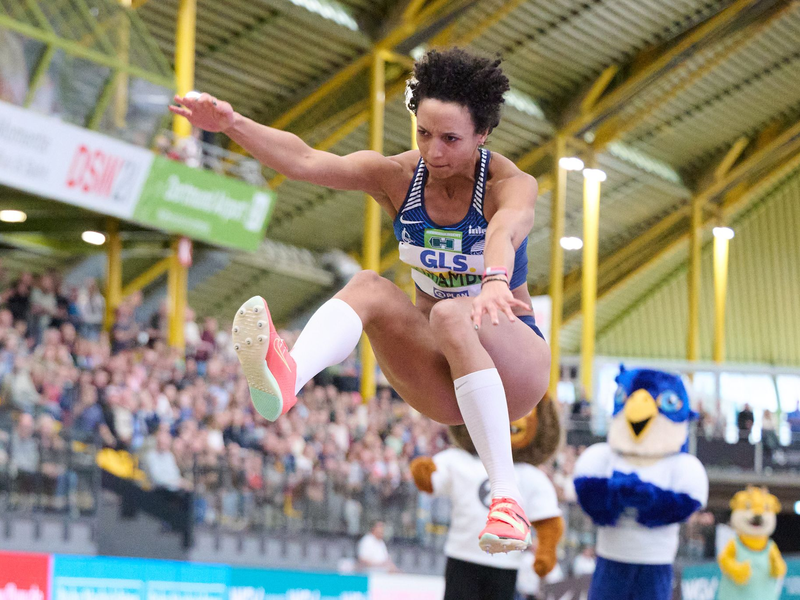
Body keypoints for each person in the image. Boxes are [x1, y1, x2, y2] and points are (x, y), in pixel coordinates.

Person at [171, 48, 550, 553]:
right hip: (442, 372)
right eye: (423, 133)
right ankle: (288, 378)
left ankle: (507, 501)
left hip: (514, 364)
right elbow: (307, 161)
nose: (433, 151)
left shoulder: (508, 183)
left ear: (483, 135)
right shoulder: (399, 177)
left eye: (450, 139)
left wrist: (497, 279)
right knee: (370, 284)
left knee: (453, 311)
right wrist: (233, 123)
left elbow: (507, 227)